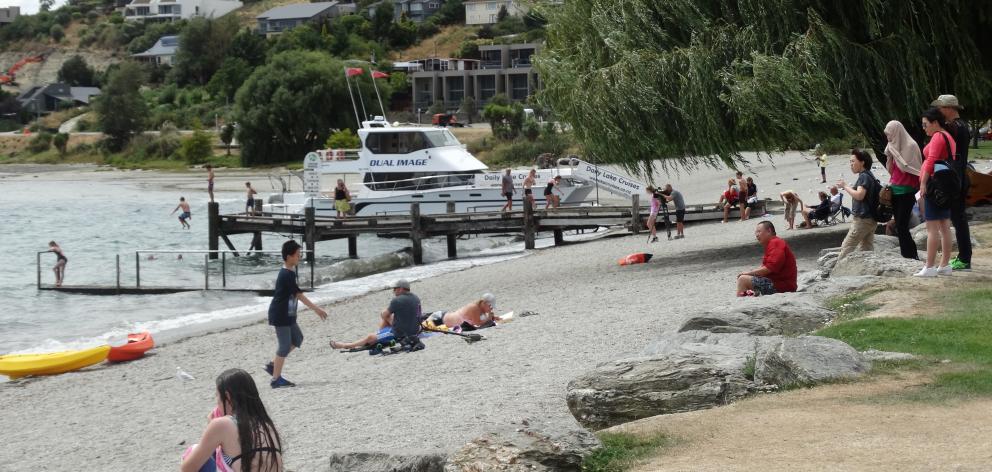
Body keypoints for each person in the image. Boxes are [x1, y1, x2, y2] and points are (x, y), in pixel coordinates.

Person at [180, 368, 283, 472]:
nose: (217, 404)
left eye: (218, 397)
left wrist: (211, 425)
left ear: (227, 396)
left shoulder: (222, 424)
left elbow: (188, 468)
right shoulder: (267, 425)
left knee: (193, 450)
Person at [265, 240, 328, 388]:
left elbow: (295, 295)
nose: (299, 258)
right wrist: (317, 309)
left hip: (289, 314)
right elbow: (298, 294)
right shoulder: (286, 274)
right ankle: (276, 379)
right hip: (280, 314)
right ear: (289, 256)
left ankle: (273, 365)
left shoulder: (290, 273)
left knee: (298, 338)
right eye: (297, 255)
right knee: (284, 345)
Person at [914, 107, 957, 277]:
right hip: (944, 187)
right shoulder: (948, 136)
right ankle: (944, 264)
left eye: (925, 125)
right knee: (945, 226)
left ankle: (929, 266)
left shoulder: (939, 136)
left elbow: (931, 160)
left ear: (934, 122)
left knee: (932, 228)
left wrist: (923, 183)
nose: (924, 128)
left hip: (934, 186)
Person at [932, 95, 972, 270]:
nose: (939, 112)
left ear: (949, 108)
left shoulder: (954, 128)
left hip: (955, 179)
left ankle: (964, 258)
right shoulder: (962, 126)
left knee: (959, 218)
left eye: (940, 108)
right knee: (959, 218)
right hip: (961, 177)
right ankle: (964, 256)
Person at [329, 279, 423, 351]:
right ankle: (380, 334)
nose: (394, 291)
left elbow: (384, 314)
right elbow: (418, 315)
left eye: (395, 289)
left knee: (371, 336)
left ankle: (346, 345)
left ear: (401, 289)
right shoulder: (416, 298)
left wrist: (383, 313)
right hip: (416, 329)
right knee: (391, 317)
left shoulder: (397, 300)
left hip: (401, 333)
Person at [883, 120, 922, 260]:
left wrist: (896, 155)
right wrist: (890, 155)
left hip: (907, 192)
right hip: (895, 191)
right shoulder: (892, 146)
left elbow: (914, 168)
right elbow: (892, 171)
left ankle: (910, 255)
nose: (888, 137)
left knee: (902, 225)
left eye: (890, 134)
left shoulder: (911, 146)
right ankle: (909, 254)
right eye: (887, 135)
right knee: (899, 225)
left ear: (897, 132)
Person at [836, 149, 879, 260]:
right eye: (850, 162)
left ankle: (837, 273)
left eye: (853, 161)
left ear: (862, 162)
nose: (851, 164)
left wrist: (845, 186)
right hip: (871, 219)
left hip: (863, 219)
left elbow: (860, 195)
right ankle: (869, 272)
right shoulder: (870, 175)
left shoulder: (863, 176)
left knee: (846, 248)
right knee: (866, 249)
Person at [736, 221, 797, 296]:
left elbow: (770, 268)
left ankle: (741, 303)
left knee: (743, 280)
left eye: (759, 231)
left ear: (769, 231)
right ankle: (743, 299)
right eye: (756, 232)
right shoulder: (773, 243)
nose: (756, 235)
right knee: (748, 286)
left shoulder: (776, 243)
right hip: (779, 283)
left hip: (782, 286)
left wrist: (748, 273)